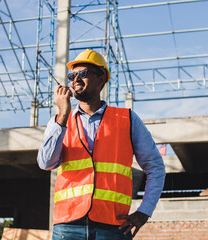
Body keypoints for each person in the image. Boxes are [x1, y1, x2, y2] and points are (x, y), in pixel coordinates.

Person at [37, 49, 165, 240]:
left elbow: (155, 167)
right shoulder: (59, 122)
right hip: (68, 226)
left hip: (112, 227)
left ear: (101, 78)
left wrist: (144, 212)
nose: (75, 80)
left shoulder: (127, 119)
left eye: (83, 74)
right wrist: (63, 115)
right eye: (72, 75)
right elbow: (46, 163)